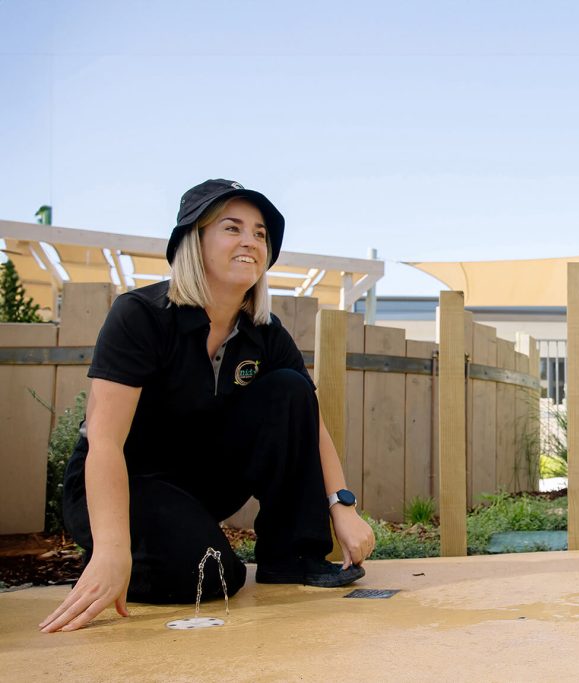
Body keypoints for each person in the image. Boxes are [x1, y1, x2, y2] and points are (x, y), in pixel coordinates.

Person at [41, 179, 375, 633]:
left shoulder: (266, 333)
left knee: (291, 388)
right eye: (232, 228)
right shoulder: (141, 315)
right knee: (216, 575)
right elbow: (103, 442)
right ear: (192, 242)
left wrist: (343, 507)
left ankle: (293, 557)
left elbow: (308, 424)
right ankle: (113, 557)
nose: (250, 242)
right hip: (126, 480)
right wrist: (112, 549)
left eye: (260, 234)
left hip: (197, 483)